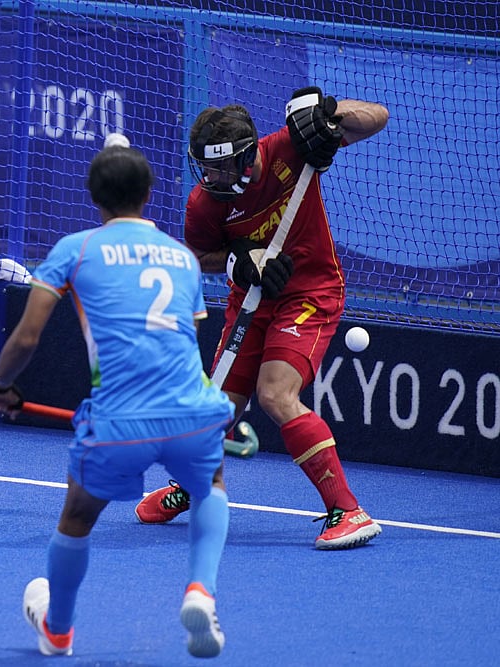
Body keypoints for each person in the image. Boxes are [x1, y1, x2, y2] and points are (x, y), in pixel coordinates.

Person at [0, 141, 235, 658]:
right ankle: (201, 590)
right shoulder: (184, 259)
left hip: (119, 419)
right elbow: (183, 341)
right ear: (149, 193)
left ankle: (58, 630)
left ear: (94, 198)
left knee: (77, 517)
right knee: (209, 486)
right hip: (191, 409)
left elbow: (26, 338)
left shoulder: (74, 250)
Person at [135, 87, 389, 550]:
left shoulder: (290, 150)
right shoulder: (203, 202)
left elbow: (378, 117)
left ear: (247, 158)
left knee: (275, 394)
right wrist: (237, 260)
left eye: (220, 168)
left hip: (310, 293)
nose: (210, 177)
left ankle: (349, 511)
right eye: (204, 167)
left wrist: (330, 113)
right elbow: (199, 256)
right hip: (251, 301)